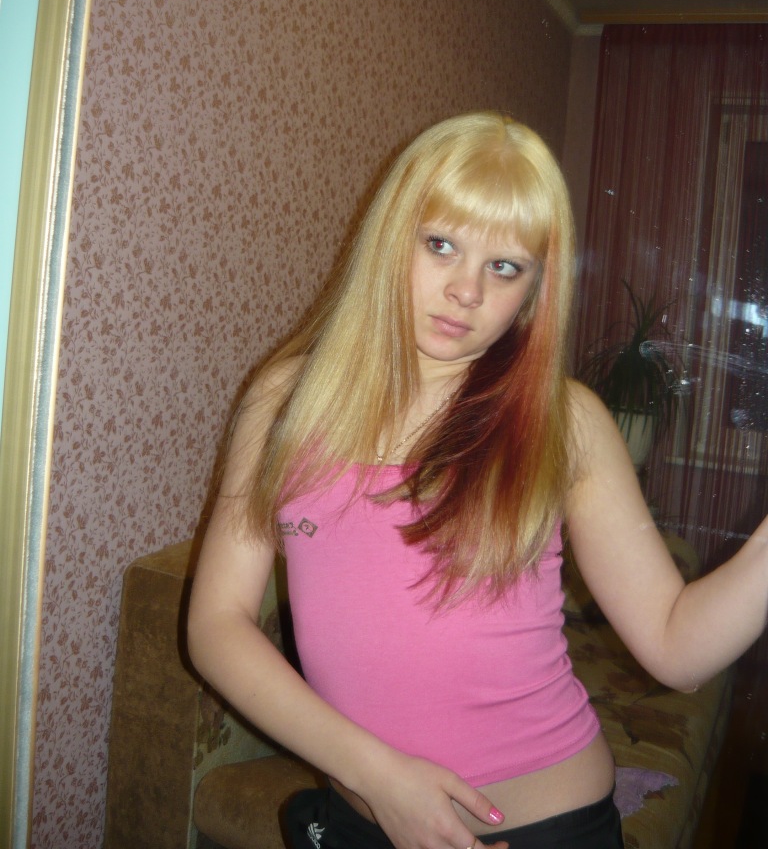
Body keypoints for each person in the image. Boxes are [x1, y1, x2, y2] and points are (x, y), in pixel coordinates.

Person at [187, 112, 768, 849]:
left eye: (504, 267)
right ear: (390, 238)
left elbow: (676, 647)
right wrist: (376, 775)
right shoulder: (285, 402)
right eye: (440, 245)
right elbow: (217, 624)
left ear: (534, 289)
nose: (466, 290)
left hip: (549, 831)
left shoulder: (565, 422)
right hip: (361, 816)